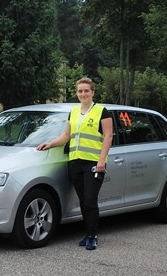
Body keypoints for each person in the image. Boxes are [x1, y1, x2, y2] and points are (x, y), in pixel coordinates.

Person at [36, 77, 114, 251]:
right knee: (83, 201)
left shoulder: (102, 111)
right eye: (80, 91)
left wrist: (102, 159)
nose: (83, 94)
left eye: (86, 90)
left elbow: (108, 136)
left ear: (93, 92)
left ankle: (93, 236)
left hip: (93, 162)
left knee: (90, 200)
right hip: (75, 162)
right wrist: (49, 143)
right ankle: (87, 234)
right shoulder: (73, 112)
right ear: (77, 93)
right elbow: (66, 136)